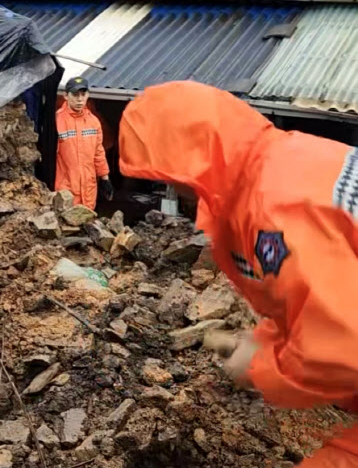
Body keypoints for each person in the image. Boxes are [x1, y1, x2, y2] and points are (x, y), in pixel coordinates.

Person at [119, 80, 358, 467]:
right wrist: (265, 340)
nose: (173, 190)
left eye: (169, 177)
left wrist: (261, 367)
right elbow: (314, 295)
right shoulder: (285, 160)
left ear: (191, 158)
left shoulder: (274, 211)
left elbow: (344, 345)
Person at [55, 76, 113, 210]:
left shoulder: (94, 122)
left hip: (88, 189)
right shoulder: (57, 121)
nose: (80, 99)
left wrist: (105, 179)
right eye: (75, 95)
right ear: (66, 96)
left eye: (83, 94)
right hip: (66, 189)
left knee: (87, 224)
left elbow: (99, 152)